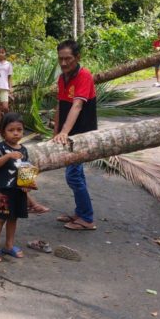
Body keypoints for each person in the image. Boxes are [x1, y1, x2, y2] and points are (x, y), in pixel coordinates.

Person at [52, 40, 97, 231]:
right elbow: (61, 107)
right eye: (60, 59)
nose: (63, 63)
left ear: (77, 58)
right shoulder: (62, 78)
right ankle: (81, 213)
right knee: (76, 174)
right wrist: (55, 133)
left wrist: (64, 132)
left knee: (73, 176)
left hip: (81, 134)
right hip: (69, 133)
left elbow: (77, 105)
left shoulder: (84, 75)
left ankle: (86, 218)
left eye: (67, 59)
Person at [0, 113, 33, 262]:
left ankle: (9, 245)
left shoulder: (24, 150)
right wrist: (8, 156)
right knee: (1, 218)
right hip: (5, 190)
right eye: (11, 130)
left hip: (19, 190)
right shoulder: (0, 147)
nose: (15, 133)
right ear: (2, 132)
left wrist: (27, 185)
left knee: (13, 218)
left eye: (19, 130)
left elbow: (25, 168)